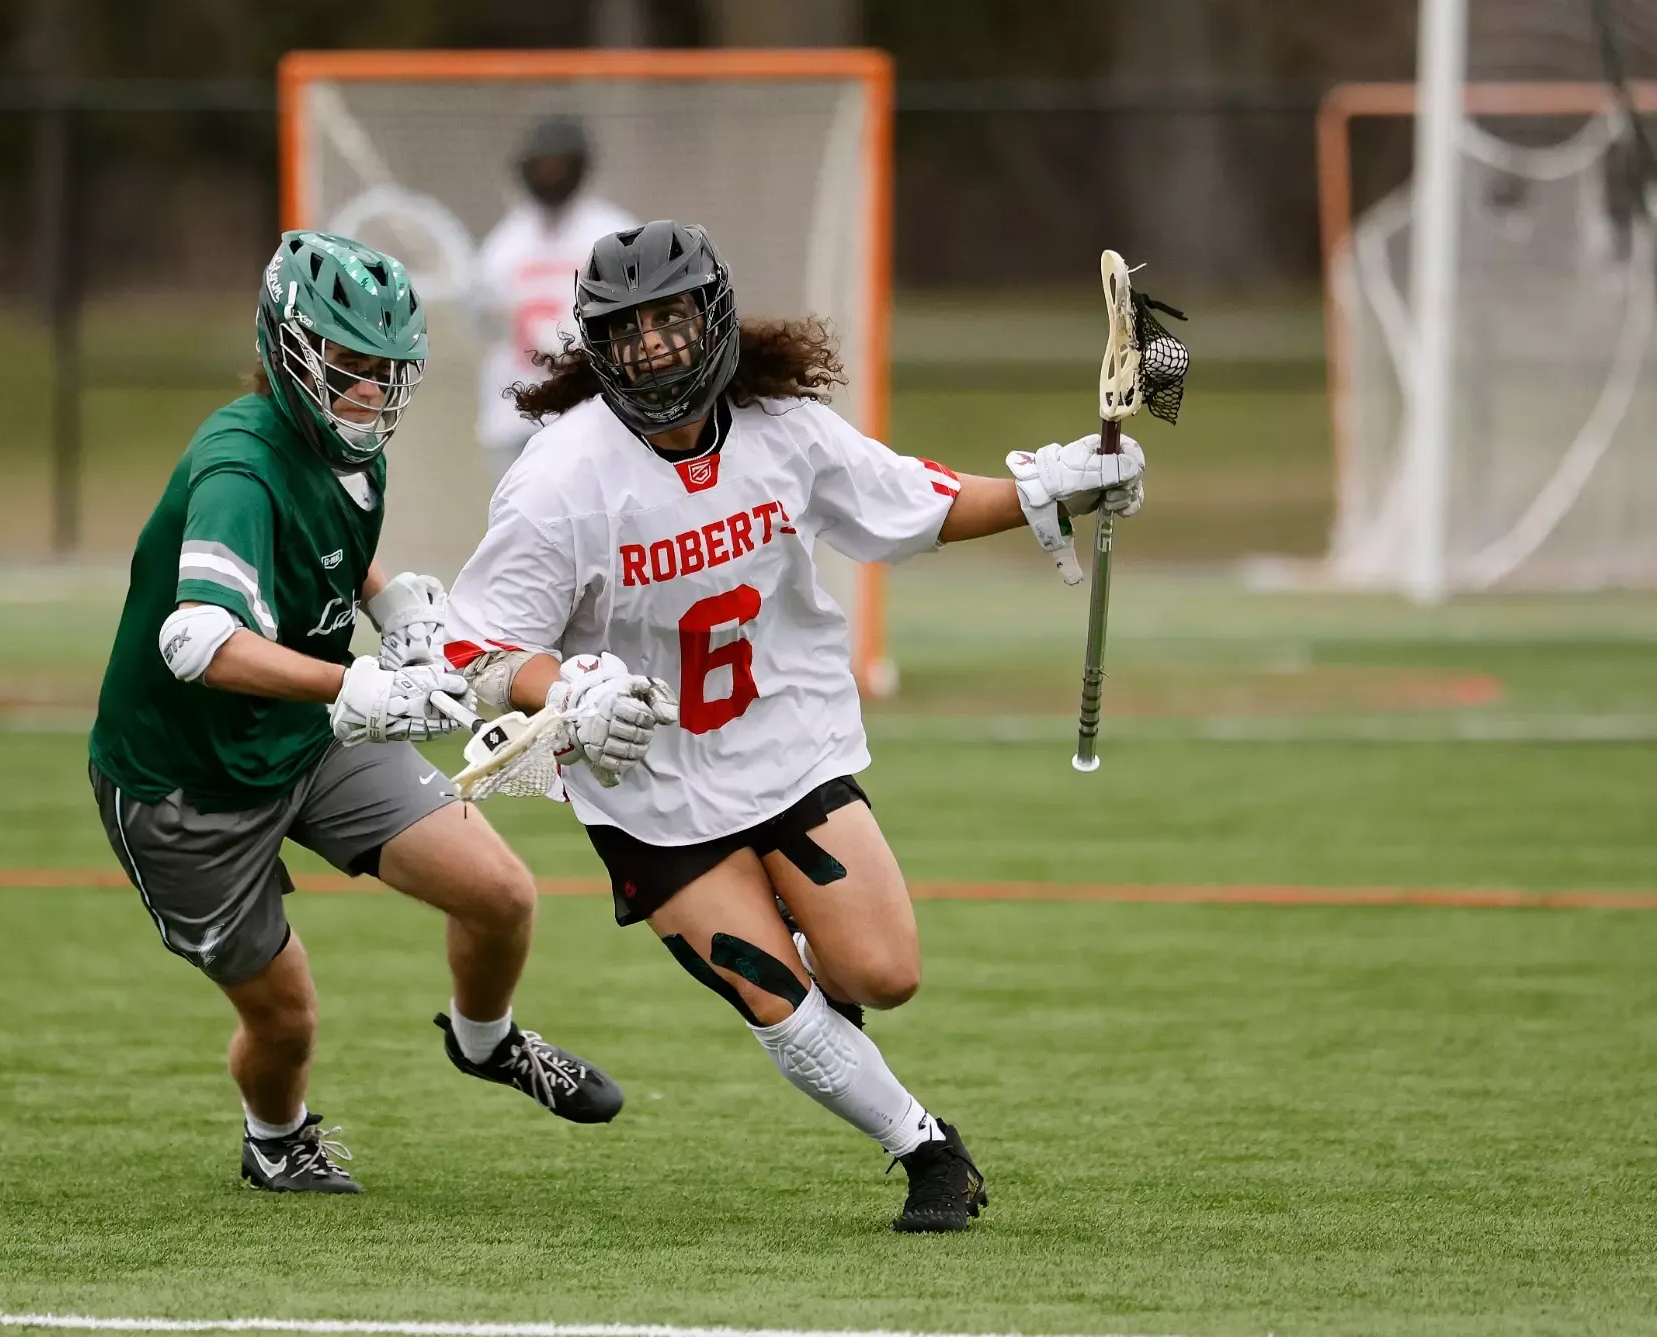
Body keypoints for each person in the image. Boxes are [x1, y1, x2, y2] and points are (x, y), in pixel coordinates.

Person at [440, 221, 1146, 1232]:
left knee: (883, 973)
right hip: (653, 789)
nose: (653, 349)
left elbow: (915, 505)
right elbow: (478, 646)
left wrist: (1052, 486)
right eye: (626, 331)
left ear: (712, 315)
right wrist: (568, 688)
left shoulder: (782, 429)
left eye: (670, 319)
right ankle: (925, 1147)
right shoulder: (560, 479)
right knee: (768, 982)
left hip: (787, 742)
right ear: (596, 346)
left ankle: (830, 1002)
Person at [87, 230, 622, 1196]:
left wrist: (388, 602)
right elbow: (198, 642)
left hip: (304, 740)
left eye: (385, 372)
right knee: (287, 1018)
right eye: (347, 366)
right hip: (187, 781)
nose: (370, 392)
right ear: (288, 350)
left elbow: (331, 536)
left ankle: (485, 1040)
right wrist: (355, 684)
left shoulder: (349, 450)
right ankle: (276, 1141)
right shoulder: (239, 468)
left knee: (501, 892)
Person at [471, 114, 638, 482]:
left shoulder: (613, 233)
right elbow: (482, 328)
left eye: (559, 165)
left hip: (595, 414)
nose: (550, 175)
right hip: (515, 416)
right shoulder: (503, 245)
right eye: (541, 166)